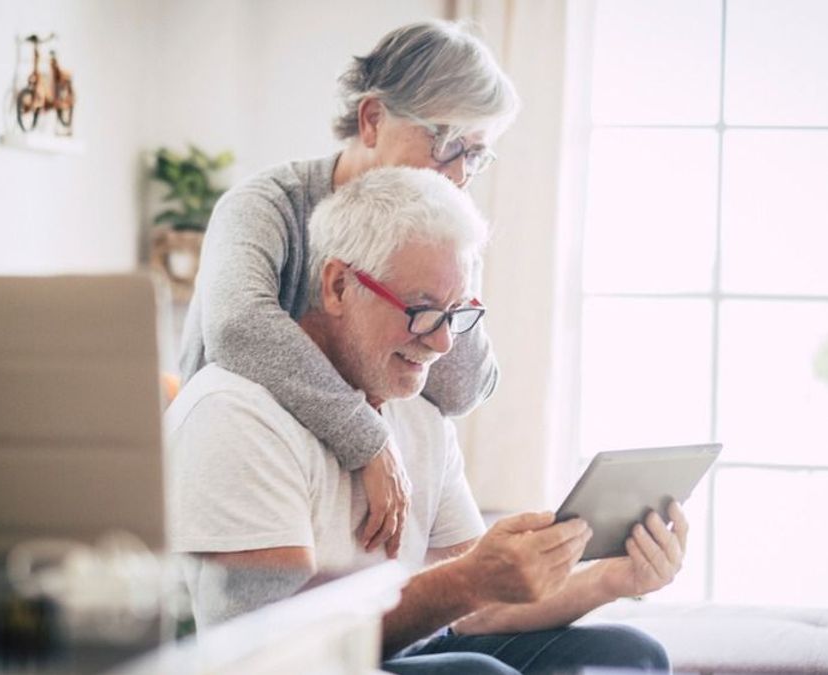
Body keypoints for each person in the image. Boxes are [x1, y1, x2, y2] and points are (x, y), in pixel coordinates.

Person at [167, 168, 686, 674]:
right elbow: (278, 646)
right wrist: (466, 581)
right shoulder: (236, 413)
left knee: (630, 654)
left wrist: (609, 580)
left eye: (456, 313)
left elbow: (478, 612)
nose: (442, 342)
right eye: (421, 309)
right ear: (338, 286)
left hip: (394, 650)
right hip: (296, 665)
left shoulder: (416, 408)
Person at [178, 20, 518, 558]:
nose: (458, 174)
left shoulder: (442, 224)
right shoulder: (265, 206)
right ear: (373, 119)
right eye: (446, 143)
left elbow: (460, 389)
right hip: (242, 483)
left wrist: (445, 269)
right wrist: (367, 437)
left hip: (350, 512)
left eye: (474, 154)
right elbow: (237, 325)